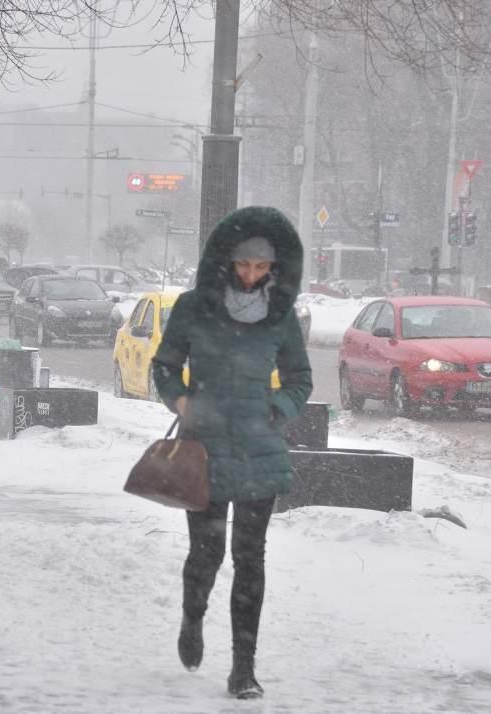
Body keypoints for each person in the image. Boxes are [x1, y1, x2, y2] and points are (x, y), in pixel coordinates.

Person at [151, 206, 312, 700]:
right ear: (225, 262)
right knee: (207, 552)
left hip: (260, 452)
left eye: (261, 268)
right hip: (204, 450)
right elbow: (165, 365)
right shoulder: (191, 308)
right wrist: (182, 400)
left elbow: (300, 379)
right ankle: (192, 618)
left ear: (275, 269)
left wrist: (278, 407)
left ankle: (244, 668)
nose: (251, 276)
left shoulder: (280, 319)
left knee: (250, 559)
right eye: (243, 266)